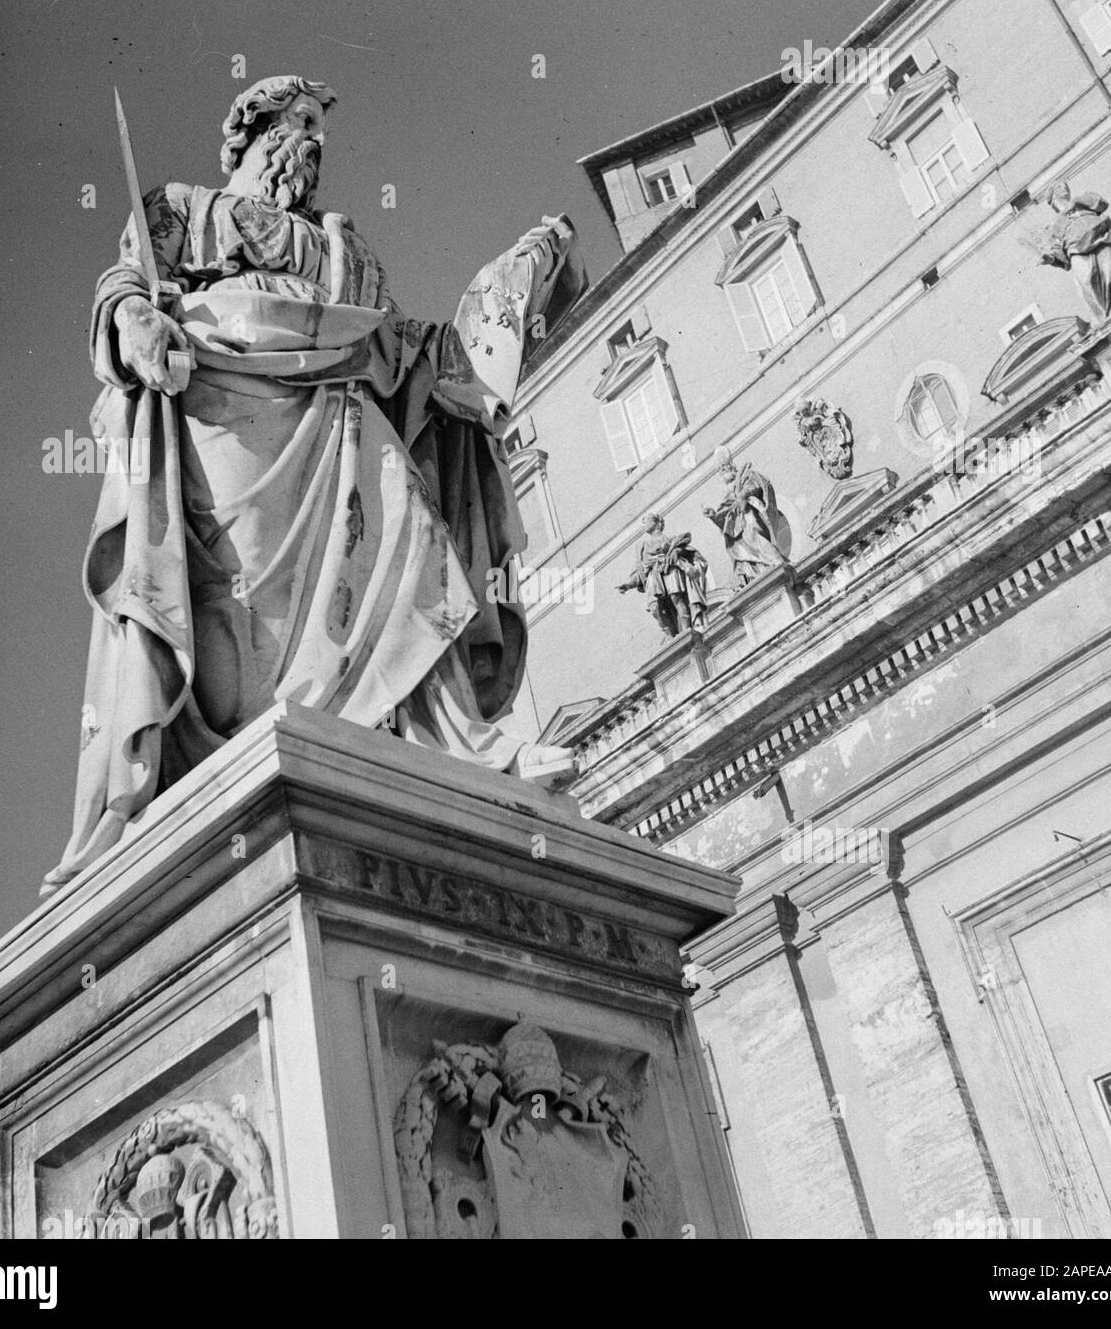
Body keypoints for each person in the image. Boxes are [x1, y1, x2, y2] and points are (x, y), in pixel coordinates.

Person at [45, 75, 586, 895]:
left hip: (340, 411)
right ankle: (217, 747)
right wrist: (137, 323)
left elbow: (406, 348)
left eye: (318, 134)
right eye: (296, 124)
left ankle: (458, 741)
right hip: (224, 410)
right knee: (236, 593)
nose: (310, 145)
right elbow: (122, 288)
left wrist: (509, 290)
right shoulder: (182, 209)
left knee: (409, 533)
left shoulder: (341, 247)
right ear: (252, 131)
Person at [1038, 181, 1111, 323]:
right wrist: (1050, 259)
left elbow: (1101, 203)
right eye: (1058, 187)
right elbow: (1058, 253)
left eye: (1064, 185)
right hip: (1077, 253)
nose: (1063, 188)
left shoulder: (1083, 199)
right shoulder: (1053, 225)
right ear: (1052, 199)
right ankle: (1109, 319)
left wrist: (1076, 202)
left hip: (1101, 240)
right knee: (1088, 284)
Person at [703, 450, 790, 588]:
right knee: (740, 553)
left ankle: (777, 562)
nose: (722, 471)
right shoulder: (727, 491)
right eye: (720, 469)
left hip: (749, 516)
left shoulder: (744, 476)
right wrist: (714, 516)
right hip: (737, 531)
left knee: (755, 537)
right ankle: (755, 575)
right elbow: (725, 514)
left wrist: (742, 494)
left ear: (730, 465)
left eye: (724, 467)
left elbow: (755, 486)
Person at [618, 514, 710, 637]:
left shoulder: (672, 540)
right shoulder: (642, 547)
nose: (643, 522)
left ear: (658, 524)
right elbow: (639, 572)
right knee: (654, 607)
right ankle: (671, 634)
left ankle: (687, 630)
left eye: (647, 520)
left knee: (677, 598)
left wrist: (677, 551)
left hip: (671, 569)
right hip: (654, 576)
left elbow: (688, 551)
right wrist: (628, 585)